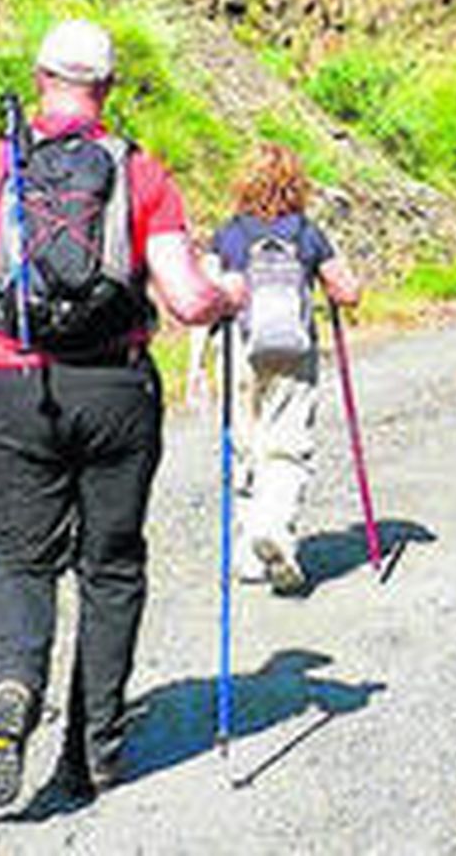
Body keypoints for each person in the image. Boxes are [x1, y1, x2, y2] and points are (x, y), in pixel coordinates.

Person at [0, 19, 245, 804]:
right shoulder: (140, 171)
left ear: (39, 76)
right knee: (111, 567)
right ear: (106, 85)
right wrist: (227, 291)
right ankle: (93, 751)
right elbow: (187, 296)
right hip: (116, 389)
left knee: (20, 558)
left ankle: (16, 679)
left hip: (14, 384)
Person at [196, 143, 363, 595]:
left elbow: (206, 295)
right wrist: (344, 285)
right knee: (287, 447)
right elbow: (345, 292)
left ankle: (251, 555)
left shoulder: (228, 234)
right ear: (296, 184)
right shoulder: (307, 233)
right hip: (294, 349)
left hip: (240, 347)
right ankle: (276, 531)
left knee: (246, 445)